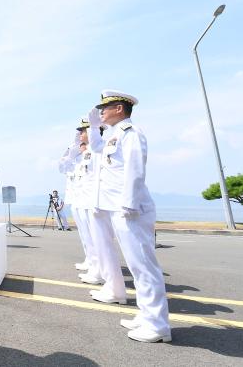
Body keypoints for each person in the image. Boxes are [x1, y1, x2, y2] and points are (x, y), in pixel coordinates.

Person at [87, 90, 171, 343]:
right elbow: (96, 148)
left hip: (130, 211)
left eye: (105, 107)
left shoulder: (131, 134)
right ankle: (147, 316)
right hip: (118, 209)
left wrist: (129, 206)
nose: (101, 112)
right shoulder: (113, 136)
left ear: (120, 109)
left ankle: (157, 326)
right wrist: (93, 127)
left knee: (144, 267)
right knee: (136, 268)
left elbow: (135, 171)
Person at [72, 121, 103, 285]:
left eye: (83, 132)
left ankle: (98, 271)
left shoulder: (96, 152)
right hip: (84, 201)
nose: (80, 136)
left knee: (96, 239)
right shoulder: (88, 154)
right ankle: (94, 267)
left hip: (92, 201)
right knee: (89, 238)